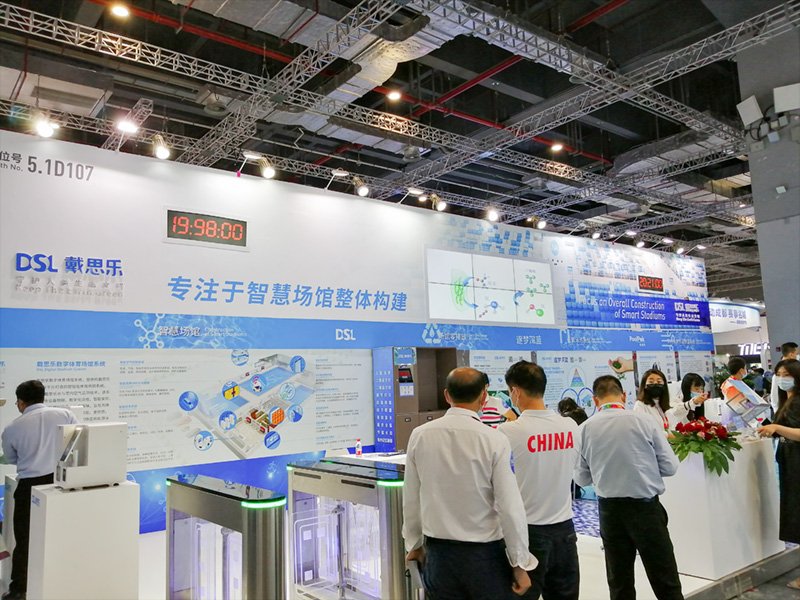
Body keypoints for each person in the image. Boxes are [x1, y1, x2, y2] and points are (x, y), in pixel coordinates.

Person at [403, 367, 537, 599]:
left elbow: (411, 497)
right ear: (484, 397)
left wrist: (414, 545)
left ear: (447, 395)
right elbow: (509, 506)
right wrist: (519, 562)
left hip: (439, 556)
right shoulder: (494, 439)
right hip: (484, 557)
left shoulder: (420, 435)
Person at [575, 375, 682, 600]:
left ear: (595, 400)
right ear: (623, 396)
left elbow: (582, 479)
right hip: (646, 510)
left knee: (619, 583)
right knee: (665, 580)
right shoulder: (645, 421)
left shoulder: (584, 429)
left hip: (610, 513)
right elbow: (670, 467)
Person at [499, 361, 581, 600]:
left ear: (516, 392)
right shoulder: (570, 426)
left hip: (528, 533)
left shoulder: (509, 431)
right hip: (565, 530)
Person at [1, 380, 77, 600]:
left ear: (20, 402)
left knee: (25, 540)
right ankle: (60, 580)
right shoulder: (65, 415)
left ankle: (19, 591)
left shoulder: (13, 428)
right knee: (59, 534)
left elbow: (11, 458)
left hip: (29, 487)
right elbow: (75, 442)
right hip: (60, 482)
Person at [757, 358, 800, 591]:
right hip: (790, 463)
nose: (782, 378)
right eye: (779, 374)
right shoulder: (787, 400)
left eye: (787, 374)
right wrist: (772, 430)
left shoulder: (797, 401)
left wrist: (777, 428)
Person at [634, 368, 706, 432]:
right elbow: (643, 430)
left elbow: (671, 425)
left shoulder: (663, 406)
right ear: (644, 385)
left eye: (659, 382)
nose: (655, 384)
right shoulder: (640, 405)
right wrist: (692, 402)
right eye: (651, 382)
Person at [770, 343, 798, 412]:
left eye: (787, 375)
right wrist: (777, 412)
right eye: (797, 354)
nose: (781, 377)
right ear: (791, 355)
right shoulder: (777, 376)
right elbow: (775, 398)